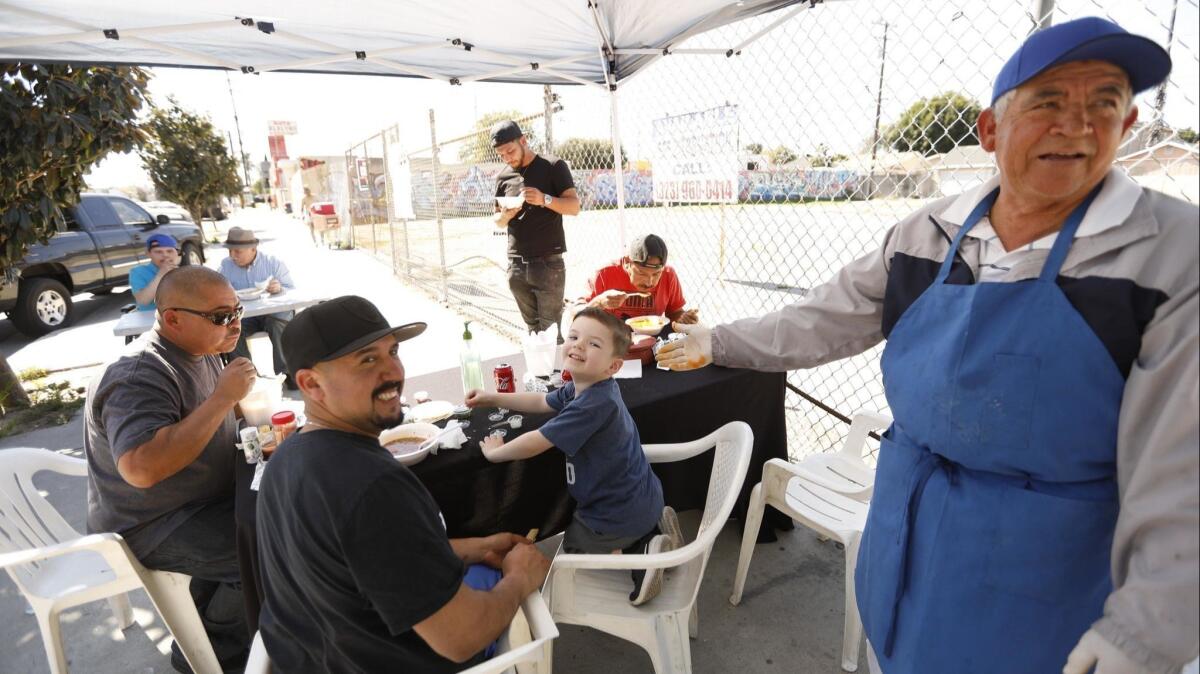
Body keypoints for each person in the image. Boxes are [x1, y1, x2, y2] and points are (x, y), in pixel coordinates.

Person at [657, 17, 1197, 674]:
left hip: (1049, 575)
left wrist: (1143, 637)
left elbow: (1182, 471)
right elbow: (820, 320)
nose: (1078, 126)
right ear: (990, 129)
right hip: (906, 539)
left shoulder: (1169, 257)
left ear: (1129, 124)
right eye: (1049, 102)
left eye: (1104, 104)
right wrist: (716, 340)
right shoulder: (926, 233)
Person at [256, 295, 551, 671]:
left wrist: (475, 546)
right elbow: (460, 637)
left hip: (315, 654)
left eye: (392, 351)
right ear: (311, 384)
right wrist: (519, 578)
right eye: (367, 359)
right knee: (509, 590)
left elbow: (365, 561)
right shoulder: (373, 488)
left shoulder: (286, 456)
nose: (393, 371)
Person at [85, 266, 255, 672]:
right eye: (220, 316)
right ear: (172, 318)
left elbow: (221, 416)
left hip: (199, 501)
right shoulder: (138, 374)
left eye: (237, 311)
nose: (234, 325)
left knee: (289, 513)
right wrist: (221, 399)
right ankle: (216, 657)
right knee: (266, 550)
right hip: (152, 524)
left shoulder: (202, 349)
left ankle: (200, 635)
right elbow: (141, 467)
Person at [467, 307, 682, 605]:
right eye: (574, 336)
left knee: (574, 547)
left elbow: (536, 442)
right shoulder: (586, 387)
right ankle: (652, 527)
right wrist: (492, 397)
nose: (579, 345)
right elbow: (542, 401)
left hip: (614, 511)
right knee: (583, 533)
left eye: (594, 344)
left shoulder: (593, 403)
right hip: (640, 495)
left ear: (613, 366)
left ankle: (642, 554)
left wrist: (496, 454)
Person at [491, 119, 581, 337]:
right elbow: (497, 221)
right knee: (533, 332)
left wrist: (545, 199)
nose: (507, 158)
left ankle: (556, 371)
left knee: (550, 333)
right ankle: (539, 371)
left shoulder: (553, 166)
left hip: (548, 263)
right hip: (516, 264)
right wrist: (506, 215)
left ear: (523, 140)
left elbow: (574, 206)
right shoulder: (503, 176)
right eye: (502, 155)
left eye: (510, 151)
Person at [218, 226, 296, 383]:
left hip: (273, 314)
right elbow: (217, 293)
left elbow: (292, 292)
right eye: (230, 251)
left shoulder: (272, 263)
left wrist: (280, 288)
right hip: (245, 316)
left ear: (253, 249)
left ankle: (286, 373)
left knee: (278, 321)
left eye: (237, 251)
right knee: (230, 329)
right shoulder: (225, 266)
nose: (233, 255)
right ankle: (246, 376)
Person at [585, 234, 699, 324]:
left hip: (653, 341)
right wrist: (599, 302)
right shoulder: (603, 274)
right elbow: (574, 316)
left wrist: (683, 318)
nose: (649, 282)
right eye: (642, 273)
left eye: (656, 274)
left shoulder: (669, 274)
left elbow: (674, 312)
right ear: (627, 263)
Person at [129, 233, 180, 311]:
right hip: (151, 317)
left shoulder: (184, 272)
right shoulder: (138, 272)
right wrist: (160, 275)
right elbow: (143, 301)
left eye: (170, 251)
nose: (165, 255)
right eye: (158, 252)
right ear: (148, 254)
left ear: (177, 253)